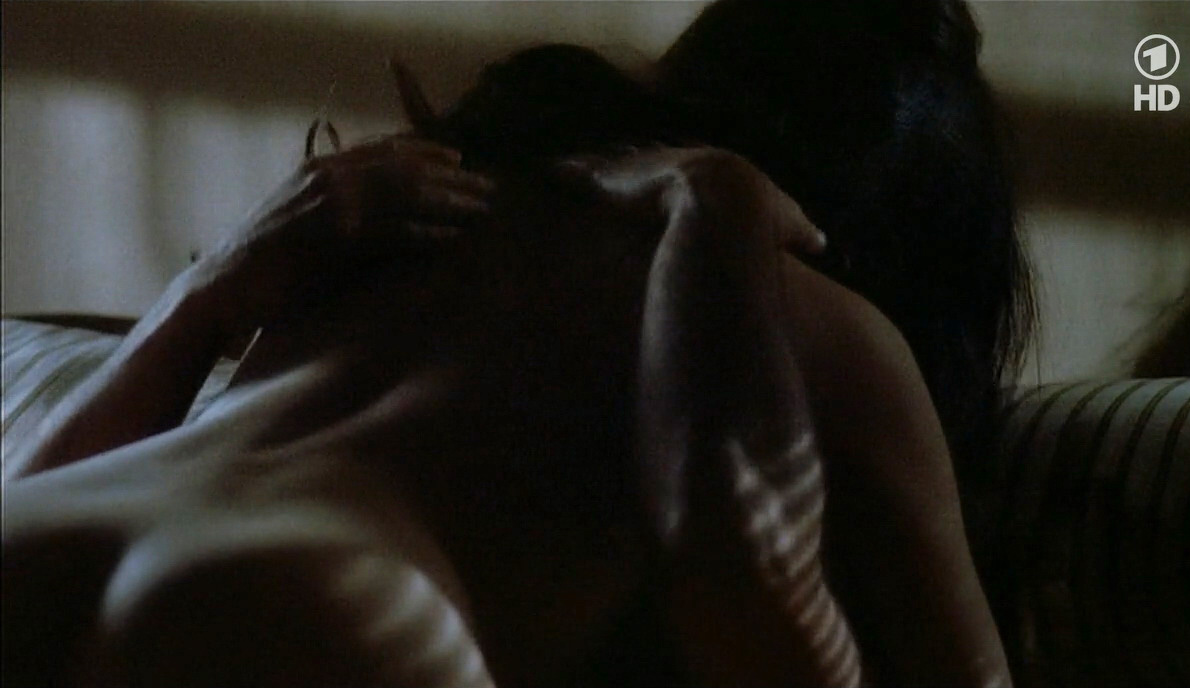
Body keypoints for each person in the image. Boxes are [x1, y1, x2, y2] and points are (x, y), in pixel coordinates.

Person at [2, 0, 1031, 686]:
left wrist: (200, 300)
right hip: (316, 598)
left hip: (39, 528)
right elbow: (760, 596)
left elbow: (62, 474)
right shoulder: (825, 322)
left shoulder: (421, 196)